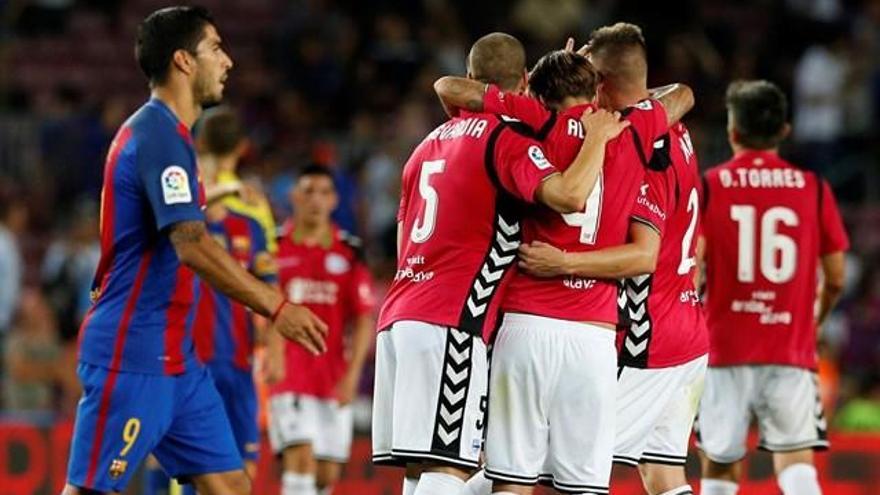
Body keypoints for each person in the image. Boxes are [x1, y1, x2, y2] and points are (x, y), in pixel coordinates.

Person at [63, 7, 327, 495]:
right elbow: (190, 244)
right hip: (133, 350)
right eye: (216, 49)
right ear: (184, 61)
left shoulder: (171, 137)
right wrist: (276, 307)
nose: (227, 61)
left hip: (176, 356)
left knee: (230, 485)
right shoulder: (158, 134)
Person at [434, 24, 693, 495]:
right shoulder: (633, 130)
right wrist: (605, 89)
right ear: (597, 87)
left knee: (509, 481)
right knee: (583, 486)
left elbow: (456, 89)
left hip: (525, 325)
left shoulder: (534, 121)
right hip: (592, 338)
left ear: (534, 86)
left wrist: (542, 83)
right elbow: (681, 98)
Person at [373, 32, 628, 495]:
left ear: (473, 79)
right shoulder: (506, 140)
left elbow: (401, 235)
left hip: (399, 314)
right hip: (453, 318)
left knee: (423, 467)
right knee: (447, 468)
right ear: (525, 81)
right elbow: (569, 195)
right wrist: (594, 136)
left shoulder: (424, 147)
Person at [513, 24, 709, 495]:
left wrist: (564, 263)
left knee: (540, 465)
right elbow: (681, 92)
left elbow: (644, 254)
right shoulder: (668, 127)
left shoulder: (644, 148)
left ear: (599, 84)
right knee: (662, 476)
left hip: (650, 339)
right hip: (688, 330)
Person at [697, 80, 849, 495]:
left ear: (733, 132)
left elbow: (691, 267)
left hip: (722, 348)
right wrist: (814, 320)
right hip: (789, 348)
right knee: (796, 462)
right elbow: (836, 277)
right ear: (784, 130)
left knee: (719, 464)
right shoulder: (813, 189)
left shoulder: (710, 185)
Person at [268, 165, 375, 495]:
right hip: (289, 372)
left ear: (334, 200)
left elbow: (362, 319)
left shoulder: (348, 251)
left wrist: (351, 376)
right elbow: (262, 306)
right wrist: (272, 356)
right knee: (300, 459)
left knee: (325, 475)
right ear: (294, 197)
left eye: (324, 192)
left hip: (332, 375)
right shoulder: (275, 247)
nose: (315, 199)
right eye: (308, 191)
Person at [198, 106, 278, 254]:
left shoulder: (191, 189)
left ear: (200, 142)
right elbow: (268, 254)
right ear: (243, 147)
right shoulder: (254, 199)